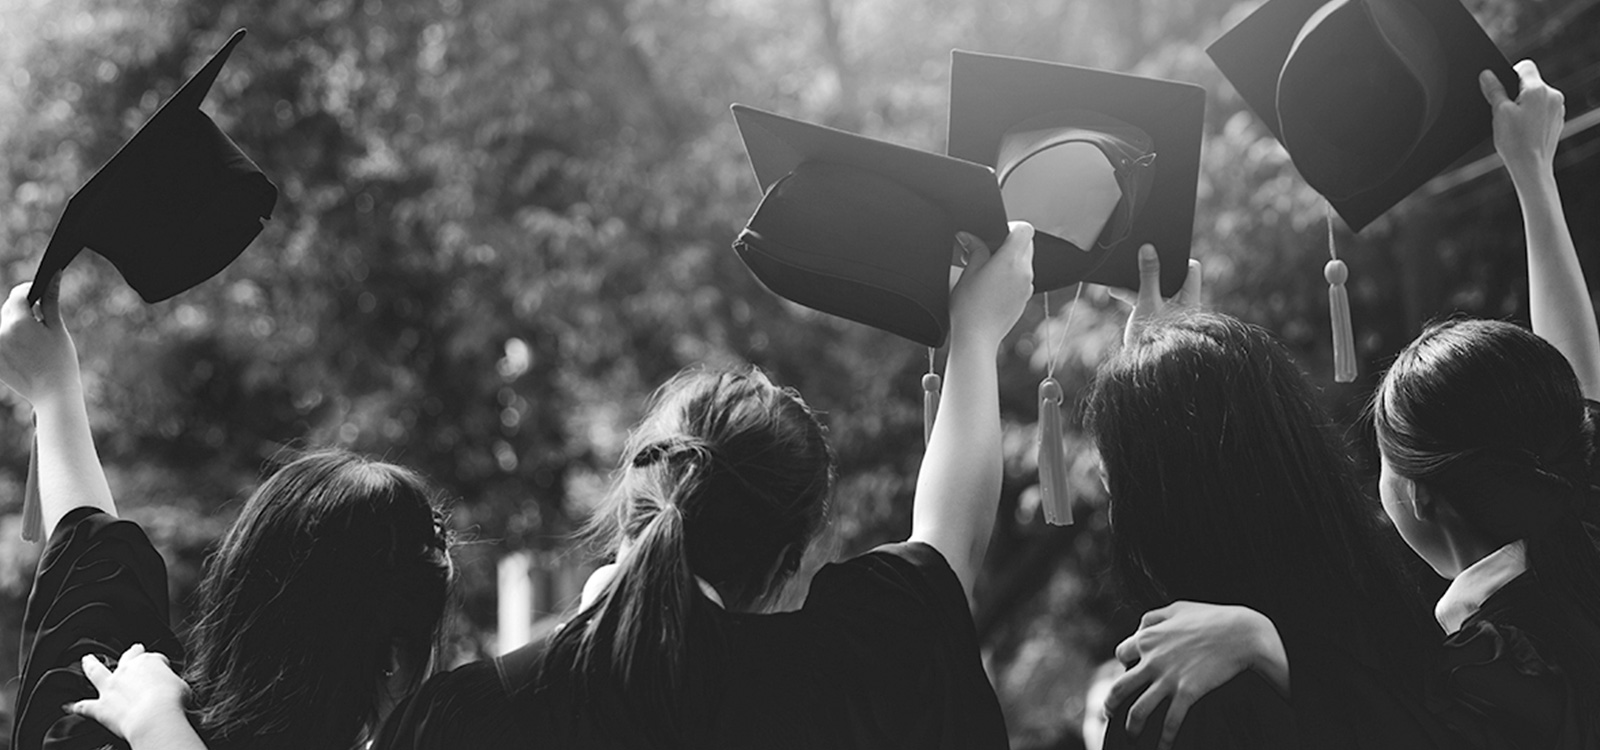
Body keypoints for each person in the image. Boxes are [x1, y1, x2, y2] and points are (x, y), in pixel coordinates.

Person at [1105, 61, 1600, 750]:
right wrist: (1532, 170)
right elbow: (1571, 389)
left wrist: (1261, 640)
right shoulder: (1578, 535)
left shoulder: (1497, 667)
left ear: (1421, 498)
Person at [0, 280, 454, 750]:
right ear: (395, 662)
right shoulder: (135, 706)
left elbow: (90, 574)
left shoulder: (108, 713)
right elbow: (93, 564)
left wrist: (54, 392)